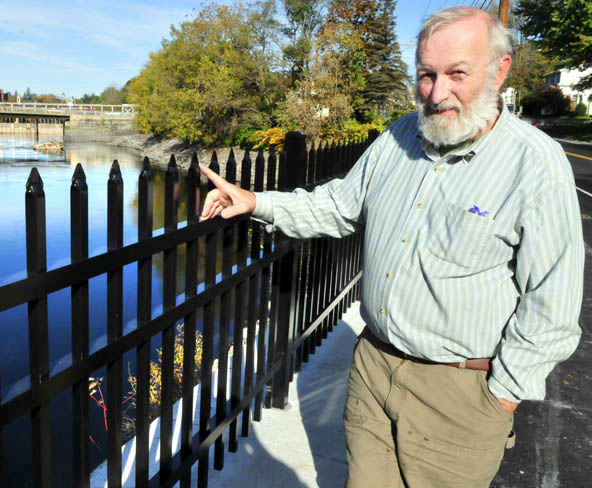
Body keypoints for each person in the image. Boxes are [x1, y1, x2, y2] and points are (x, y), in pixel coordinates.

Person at [199, 6, 583, 487]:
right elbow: (338, 206)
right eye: (426, 75)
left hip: (461, 393)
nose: (437, 93)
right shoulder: (400, 135)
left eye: (456, 74)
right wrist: (256, 201)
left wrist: (502, 395)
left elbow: (553, 302)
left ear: (499, 71)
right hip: (374, 370)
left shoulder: (535, 163)